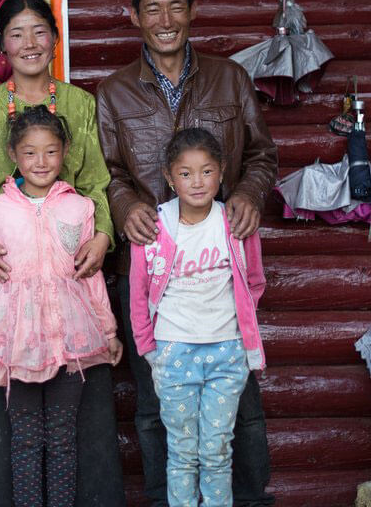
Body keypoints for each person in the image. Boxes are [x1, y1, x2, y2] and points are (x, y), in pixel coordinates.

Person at [96, 0, 279, 507]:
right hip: (155, 276)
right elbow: (105, 172)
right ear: (134, 16)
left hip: (220, 280)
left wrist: (247, 193)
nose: (165, 19)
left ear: (193, 10)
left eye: (176, 5)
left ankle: (247, 501)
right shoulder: (114, 91)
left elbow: (264, 154)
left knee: (241, 410)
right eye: (152, 8)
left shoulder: (230, 78)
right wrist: (125, 202)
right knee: (154, 411)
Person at [0, 0, 125, 506]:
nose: (29, 43)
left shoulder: (79, 104)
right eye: (16, 33)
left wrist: (102, 237)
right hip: (6, 281)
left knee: (76, 426)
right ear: (2, 44)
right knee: (14, 428)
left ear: (55, 38)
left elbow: (98, 184)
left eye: (39, 31)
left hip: (72, 286)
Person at [128, 128, 267, 506]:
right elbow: (139, 292)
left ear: (221, 172)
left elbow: (254, 281)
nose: (197, 181)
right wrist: (148, 348)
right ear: (170, 178)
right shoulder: (156, 228)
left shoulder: (235, 224)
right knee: (183, 452)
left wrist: (242, 332)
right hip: (174, 354)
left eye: (206, 171)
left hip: (226, 353)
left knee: (217, 450)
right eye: (186, 173)